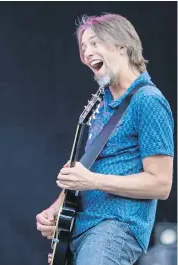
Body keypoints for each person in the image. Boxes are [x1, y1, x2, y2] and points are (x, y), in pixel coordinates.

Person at [36, 13, 174, 265]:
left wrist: (93, 180)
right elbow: (88, 173)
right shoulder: (103, 105)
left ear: (121, 45)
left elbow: (161, 184)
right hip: (81, 230)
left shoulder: (149, 101)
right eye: (83, 47)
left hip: (114, 229)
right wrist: (58, 208)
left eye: (94, 43)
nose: (86, 53)